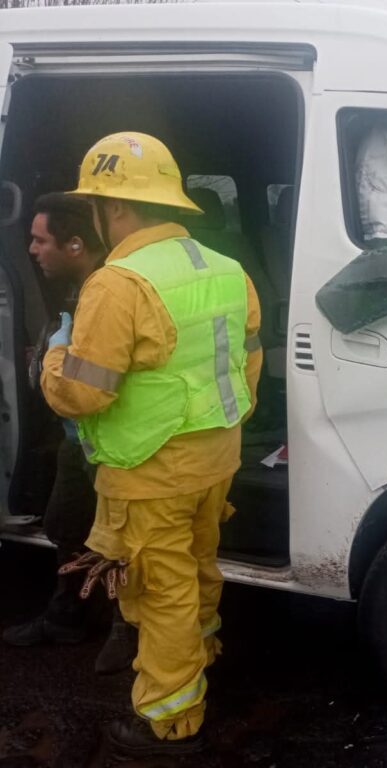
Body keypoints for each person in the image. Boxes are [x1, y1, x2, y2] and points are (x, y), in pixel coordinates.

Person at [41, 132, 262, 757]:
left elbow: (83, 393)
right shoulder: (225, 268)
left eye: (93, 205)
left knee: (161, 592)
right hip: (215, 456)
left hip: (150, 470)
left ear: (112, 207)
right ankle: (200, 655)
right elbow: (247, 362)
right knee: (198, 566)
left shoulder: (118, 284)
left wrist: (53, 356)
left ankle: (170, 720)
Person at [3, 193, 136, 674]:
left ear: (75, 244)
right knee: (65, 526)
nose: (32, 250)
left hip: (112, 444)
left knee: (120, 543)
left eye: (40, 240)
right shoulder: (80, 288)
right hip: (79, 438)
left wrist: (51, 363)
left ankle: (126, 630)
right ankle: (68, 616)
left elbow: (93, 384)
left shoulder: (111, 293)